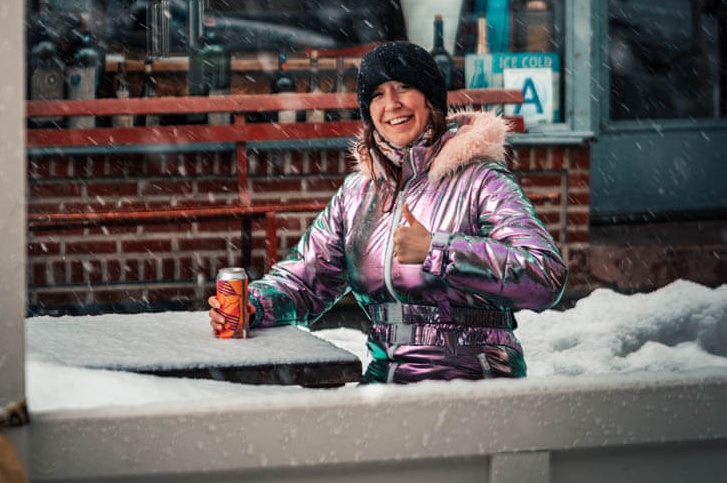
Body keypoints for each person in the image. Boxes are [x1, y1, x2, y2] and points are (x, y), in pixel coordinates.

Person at [208, 41, 567, 383]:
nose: (391, 104)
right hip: (387, 378)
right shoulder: (358, 193)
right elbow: (305, 281)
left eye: (403, 87)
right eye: (377, 94)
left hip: (474, 380)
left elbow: (545, 276)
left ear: (431, 100)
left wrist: (437, 251)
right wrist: (254, 305)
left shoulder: (480, 180)